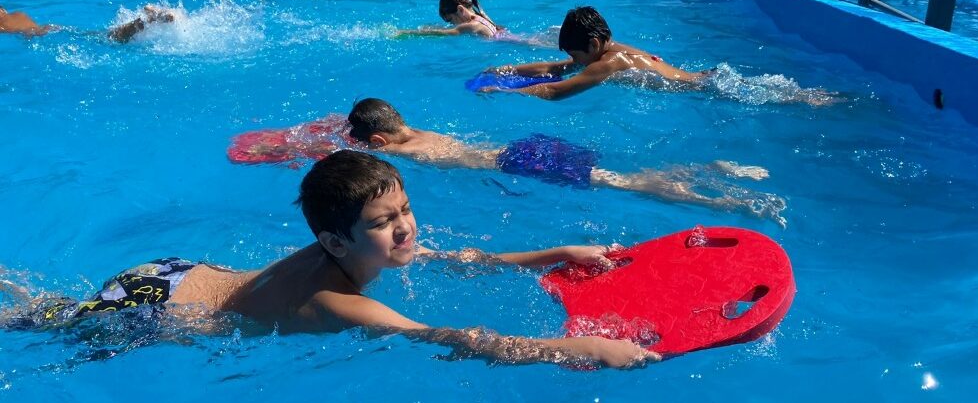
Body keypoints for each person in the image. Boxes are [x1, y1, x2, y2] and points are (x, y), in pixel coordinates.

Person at [2, 151, 660, 369]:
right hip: (157, 306)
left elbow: (462, 256)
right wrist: (580, 350)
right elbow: (455, 338)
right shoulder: (337, 302)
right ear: (335, 244)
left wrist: (557, 253)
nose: (405, 230)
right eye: (385, 222)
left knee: (36, 311)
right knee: (30, 325)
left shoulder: (360, 249)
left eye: (404, 210)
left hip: (171, 268)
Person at [231, 98, 787, 226]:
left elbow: (335, 151)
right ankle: (715, 168)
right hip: (527, 146)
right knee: (625, 172)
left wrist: (281, 150)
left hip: (523, 165)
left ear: (373, 142)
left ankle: (728, 197)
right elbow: (354, 122)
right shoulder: (411, 130)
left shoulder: (385, 150)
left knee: (631, 185)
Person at [481, 6, 835, 105]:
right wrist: (506, 69)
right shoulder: (608, 50)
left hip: (704, 89)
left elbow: (559, 90)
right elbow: (556, 67)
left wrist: (504, 93)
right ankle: (809, 97)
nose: (576, 61)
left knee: (786, 99)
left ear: (592, 45)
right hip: (706, 77)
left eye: (578, 54)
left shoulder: (610, 63)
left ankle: (808, 99)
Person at [0, 4, 174, 42]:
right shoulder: (17, 12)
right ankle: (146, 19)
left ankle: (146, 20)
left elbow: (14, 31)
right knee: (97, 35)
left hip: (43, 34)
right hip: (52, 27)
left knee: (109, 40)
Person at [396, 0, 509, 39]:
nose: (453, 25)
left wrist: (407, 32)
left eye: (451, 20)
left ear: (460, 10)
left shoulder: (471, 25)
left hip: (509, 44)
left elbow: (443, 33)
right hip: (512, 39)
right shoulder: (481, 17)